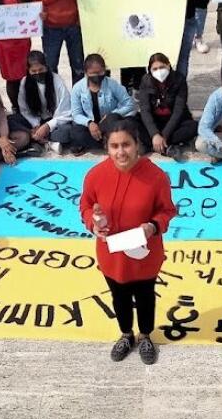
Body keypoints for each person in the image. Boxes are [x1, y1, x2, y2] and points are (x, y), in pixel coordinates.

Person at [79, 119, 177, 365]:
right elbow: (85, 206)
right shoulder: (95, 176)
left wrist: (152, 226)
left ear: (137, 145)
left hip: (145, 254)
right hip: (111, 255)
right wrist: (93, 222)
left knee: (145, 297)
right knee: (119, 297)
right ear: (107, 147)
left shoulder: (156, 177)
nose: (120, 152)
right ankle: (126, 334)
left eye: (126, 145)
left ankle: (145, 335)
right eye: (114, 146)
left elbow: (167, 211)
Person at [70, 53, 140, 155]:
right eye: (93, 73)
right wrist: (89, 123)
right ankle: (107, 143)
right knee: (75, 131)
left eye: (100, 72)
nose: (97, 76)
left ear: (104, 70)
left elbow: (129, 104)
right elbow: (76, 114)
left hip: (110, 124)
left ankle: (105, 143)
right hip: (90, 126)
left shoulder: (112, 84)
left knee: (125, 122)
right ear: (86, 72)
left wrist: (111, 115)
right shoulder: (77, 88)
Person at [136, 52, 199, 159]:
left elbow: (178, 111)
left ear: (168, 65)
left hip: (174, 123)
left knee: (194, 127)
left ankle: (155, 145)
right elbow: (145, 110)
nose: (159, 71)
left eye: (162, 67)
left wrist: (164, 135)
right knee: (132, 122)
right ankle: (165, 146)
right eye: (155, 69)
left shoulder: (179, 79)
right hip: (155, 121)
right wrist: (155, 134)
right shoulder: (146, 81)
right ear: (150, 70)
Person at [18, 50, 78, 153]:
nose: (38, 73)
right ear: (28, 70)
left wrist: (48, 126)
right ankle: (48, 142)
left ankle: (39, 141)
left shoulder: (56, 80)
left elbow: (66, 111)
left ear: (46, 67)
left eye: (41, 69)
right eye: (34, 71)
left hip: (55, 121)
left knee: (68, 130)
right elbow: (24, 110)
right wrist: (36, 125)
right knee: (13, 121)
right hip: (35, 123)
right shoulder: (24, 82)